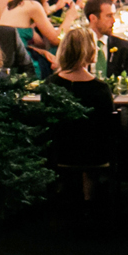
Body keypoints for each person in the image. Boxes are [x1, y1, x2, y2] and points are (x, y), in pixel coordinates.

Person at [47, 27, 118, 194]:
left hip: (59, 152)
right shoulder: (101, 89)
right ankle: (90, 201)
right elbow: (108, 126)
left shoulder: (51, 84)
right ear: (90, 51)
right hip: (95, 154)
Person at [0, 0, 62, 76]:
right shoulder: (33, 6)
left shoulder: (13, 4)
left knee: (49, 53)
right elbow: (56, 39)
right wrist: (70, 17)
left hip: (10, 61)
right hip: (23, 65)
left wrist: (42, 51)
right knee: (62, 52)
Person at [82, 0, 128, 78]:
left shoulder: (123, 47)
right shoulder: (79, 45)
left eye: (113, 15)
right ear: (93, 18)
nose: (113, 21)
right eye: (109, 16)